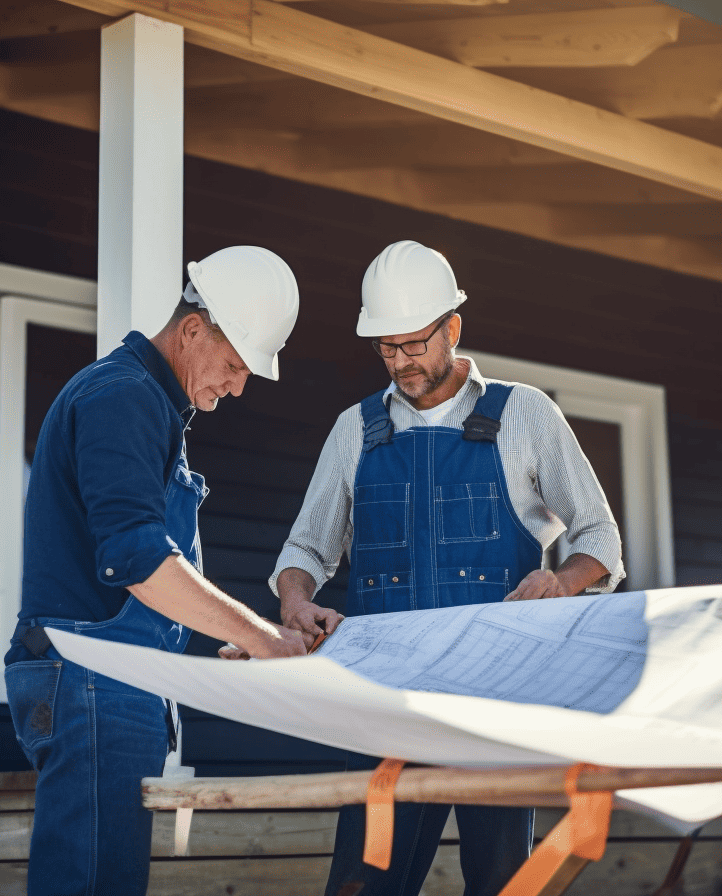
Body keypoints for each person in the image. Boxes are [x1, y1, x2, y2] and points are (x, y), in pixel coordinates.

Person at [270, 240, 626, 896]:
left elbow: (600, 536)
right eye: (386, 348)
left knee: (501, 883)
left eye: (414, 345)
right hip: (385, 708)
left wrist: (562, 580)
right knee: (365, 883)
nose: (401, 363)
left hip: (498, 708)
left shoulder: (526, 416)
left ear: (452, 329)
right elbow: (305, 553)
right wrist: (295, 601)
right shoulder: (356, 430)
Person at [4, 246, 311, 896]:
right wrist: (264, 638)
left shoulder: (146, 403)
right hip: (94, 678)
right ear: (193, 328)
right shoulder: (124, 397)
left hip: (111, 680)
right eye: (233, 364)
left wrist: (219, 637)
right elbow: (138, 559)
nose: (238, 386)